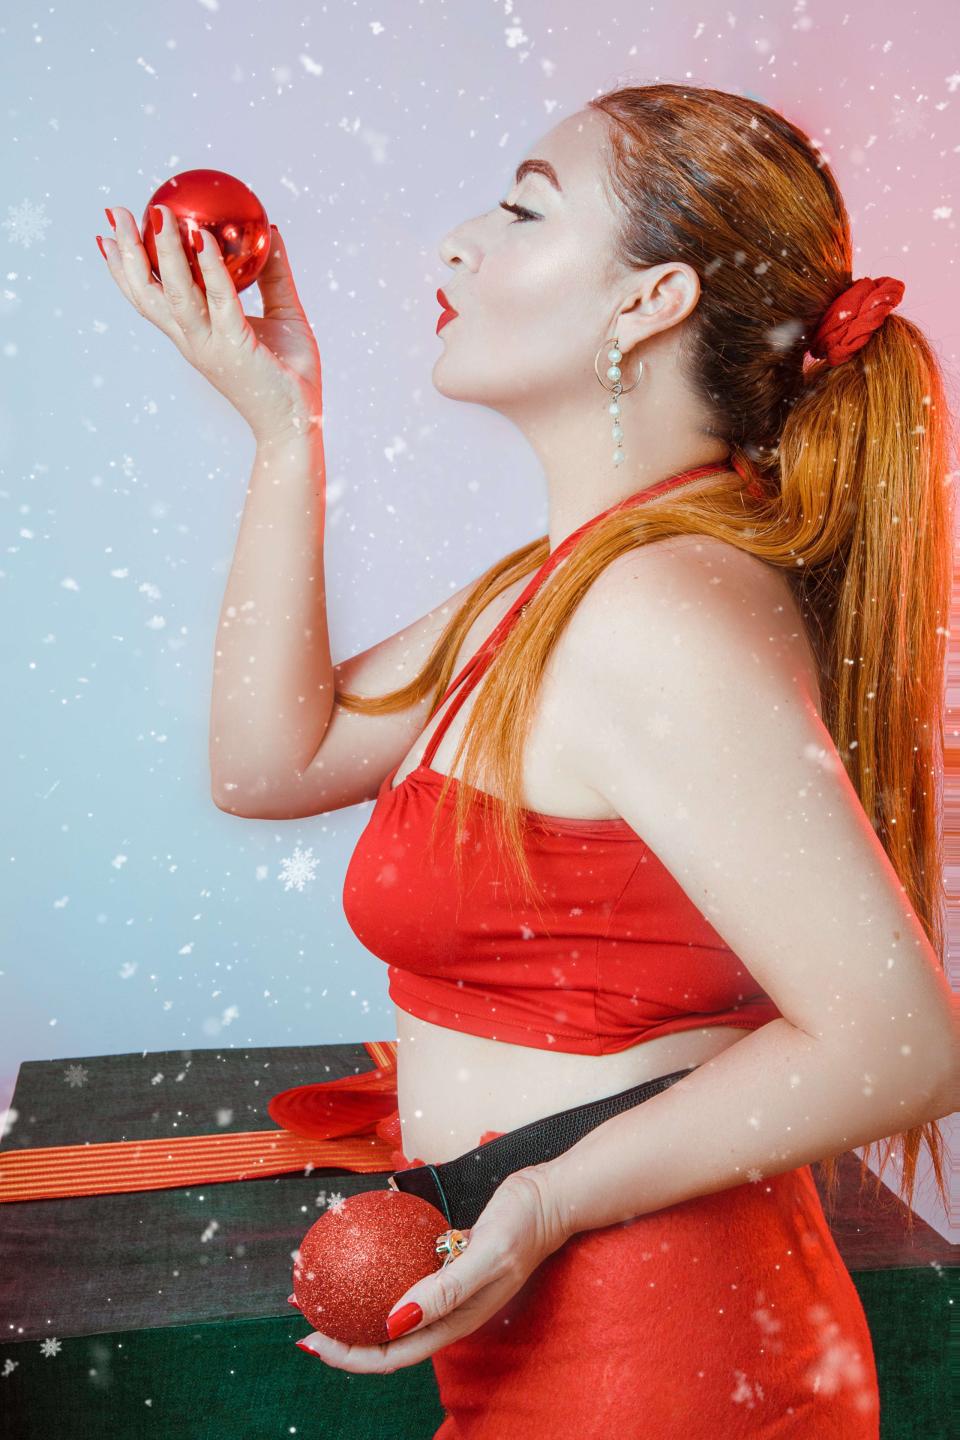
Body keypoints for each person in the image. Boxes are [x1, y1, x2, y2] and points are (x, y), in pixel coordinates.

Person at [99, 79, 956, 1438]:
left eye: (523, 208)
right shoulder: (552, 584)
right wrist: (284, 427)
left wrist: (545, 1199)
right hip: (560, 1341)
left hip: (666, 1363)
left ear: (651, 301)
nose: (459, 241)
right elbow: (269, 763)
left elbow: (901, 1045)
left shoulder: (656, 609)